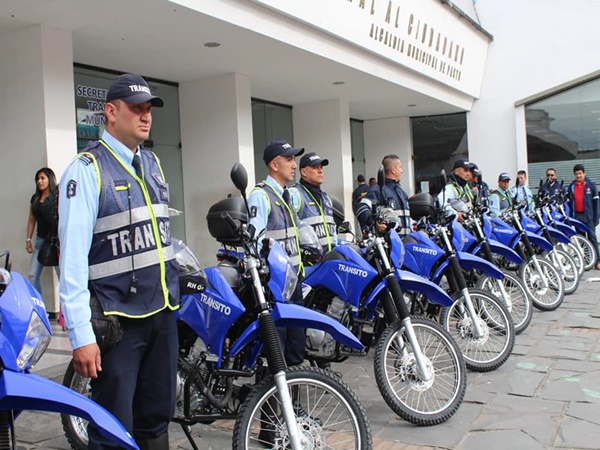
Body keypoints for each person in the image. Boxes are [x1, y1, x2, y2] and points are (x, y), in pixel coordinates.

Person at [58, 73, 179, 449]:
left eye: (149, 110)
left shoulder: (154, 163)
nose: (146, 117)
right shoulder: (88, 169)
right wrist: (80, 336)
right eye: (136, 109)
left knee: (156, 423)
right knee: (112, 430)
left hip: (162, 314)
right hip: (118, 324)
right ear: (111, 112)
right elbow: (73, 261)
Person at [247, 138, 306, 367]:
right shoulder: (261, 196)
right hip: (276, 286)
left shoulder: (287, 195)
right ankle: (274, 402)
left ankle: (293, 401)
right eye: (289, 159)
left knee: (295, 349)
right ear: (274, 165)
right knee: (277, 352)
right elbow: (256, 243)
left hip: (294, 281)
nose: (294, 164)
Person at [290, 152, 337, 254]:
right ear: (303, 172)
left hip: (329, 263)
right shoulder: (295, 194)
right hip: (309, 265)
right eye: (315, 167)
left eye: (321, 167)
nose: (320, 171)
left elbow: (333, 234)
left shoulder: (326, 198)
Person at [356, 154, 411, 236]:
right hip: (387, 245)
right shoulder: (378, 190)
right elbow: (361, 209)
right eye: (400, 167)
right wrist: (375, 224)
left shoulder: (402, 193)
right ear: (393, 170)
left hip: (405, 244)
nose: (402, 171)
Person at [26, 167, 59, 299]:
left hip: (55, 241)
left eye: (42, 178)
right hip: (40, 241)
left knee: (62, 277)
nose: (39, 181)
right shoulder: (35, 198)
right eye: (37, 179)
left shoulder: (56, 196)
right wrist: (28, 239)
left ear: (49, 179)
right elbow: (31, 220)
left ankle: (65, 312)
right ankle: (40, 308)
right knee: (32, 276)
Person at [568, 163, 600, 269]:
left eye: (580, 173)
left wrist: (596, 218)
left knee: (592, 239)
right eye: (576, 174)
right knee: (581, 241)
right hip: (577, 217)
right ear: (574, 175)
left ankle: (597, 261)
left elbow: (596, 203)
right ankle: (586, 261)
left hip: (589, 217)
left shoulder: (591, 185)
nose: (578, 176)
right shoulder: (571, 187)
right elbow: (569, 204)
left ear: (584, 173)